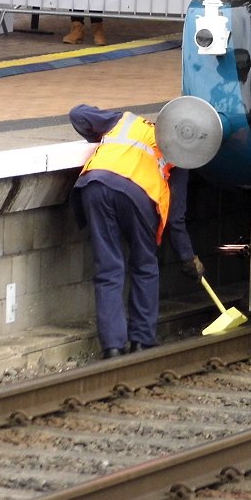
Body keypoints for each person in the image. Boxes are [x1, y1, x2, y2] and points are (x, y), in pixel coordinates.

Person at [69, 104, 204, 359]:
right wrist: (188, 258)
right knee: (144, 266)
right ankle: (142, 341)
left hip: (95, 185)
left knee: (108, 268)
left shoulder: (126, 121)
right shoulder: (181, 156)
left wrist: (100, 138)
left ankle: (112, 347)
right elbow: (176, 219)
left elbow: (77, 115)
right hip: (139, 196)